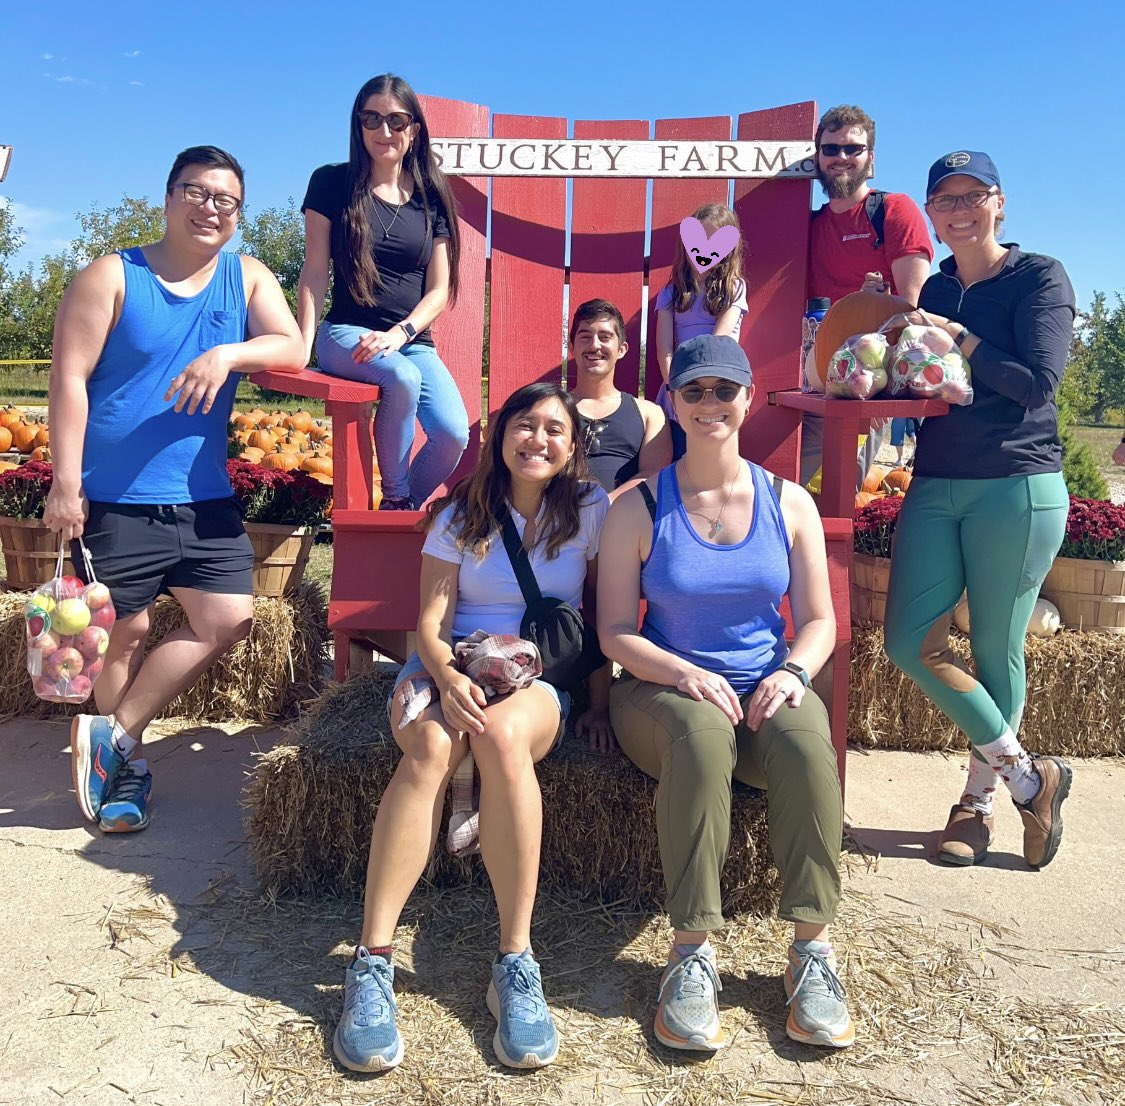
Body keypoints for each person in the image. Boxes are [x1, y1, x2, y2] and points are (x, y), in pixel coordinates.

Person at [332, 382, 612, 1073]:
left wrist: (600, 702)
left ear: (573, 447)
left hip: (536, 680)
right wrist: (449, 679)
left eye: (554, 429)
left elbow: (600, 619)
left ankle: (514, 962)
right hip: (447, 665)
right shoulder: (462, 514)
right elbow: (426, 627)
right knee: (431, 742)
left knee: (502, 736)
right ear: (500, 435)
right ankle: (371, 962)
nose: (537, 439)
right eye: (524, 424)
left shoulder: (590, 512)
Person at [598, 334, 853, 1052]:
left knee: (807, 746)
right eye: (693, 391)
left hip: (762, 686)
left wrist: (793, 672)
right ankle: (690, 953)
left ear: (746, 399)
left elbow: (818, 621)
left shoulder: (787, 501)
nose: (709, 403)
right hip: (659, 689)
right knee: (703, 739)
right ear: (672, 404)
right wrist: (681, 673)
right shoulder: (638, 507)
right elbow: (615, 632)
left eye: (724, 390)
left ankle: (811, 951)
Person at [43, 146, 305, 833]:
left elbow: (293, 345)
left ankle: (116, 734)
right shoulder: (111, 276)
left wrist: (229, 353)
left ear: (238, 215)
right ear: (167, 198)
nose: (209, 207)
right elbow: (68, 379)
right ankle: (124, 777)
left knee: (229, 618)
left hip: (203, 495)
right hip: (114, 495)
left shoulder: (245, 278)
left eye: (225, 200)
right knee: (123, 634)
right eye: (195, 192)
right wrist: (65, 484)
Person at [882, 151, 1075, 869]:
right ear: (931, 213)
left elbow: (1036, 383)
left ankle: (977, 806)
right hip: (935, 480)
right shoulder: (933, 284)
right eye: (944, 198)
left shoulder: (1039, 278)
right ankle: (1030, 776)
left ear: (999, 203)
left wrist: (956, 335)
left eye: (973, 194)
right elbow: (921, 384)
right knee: (907, 642)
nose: (958, 209)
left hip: (1015, 484)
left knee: (995, 650)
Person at [298, 73, 467, 511]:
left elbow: (440, 288)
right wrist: (302, 340)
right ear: (358, 126)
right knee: (401, 378)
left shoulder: (431, 197)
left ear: (414, 130)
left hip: (410, 342)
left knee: (453, 434)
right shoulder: (331, 183)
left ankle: (403, 504)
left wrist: (401, 333)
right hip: (346, 334)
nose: (384, 130)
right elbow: (315, 269)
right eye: (371, 119)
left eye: (396, 120)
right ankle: (394, 500)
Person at [802, 104, 935, 489]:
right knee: (782, 493)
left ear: (870, 158)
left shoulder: (892, 211)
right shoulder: (808, 226)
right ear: (818, 158)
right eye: (831, 149)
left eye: (853, 149)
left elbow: (912, 308)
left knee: (833, 499)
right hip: (805, 385)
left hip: (863, 392)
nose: (841, 158)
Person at [655, 202, 748, 459]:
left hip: (718, 382)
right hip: (678, 383)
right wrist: (676, 387)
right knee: (678, 453)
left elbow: (718, 342)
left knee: (712, 453)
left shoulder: (734, 289)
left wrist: (704, 384)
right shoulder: (670, 293)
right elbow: (664, 347)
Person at [569, 298, 671, 499]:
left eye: (605, 337)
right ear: (571, 347)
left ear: (622, 349)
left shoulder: (650, 414)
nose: (594, 345)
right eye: (585, 337)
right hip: (558, 520)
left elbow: (655, 474)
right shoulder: (551, 410)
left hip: (624, 523)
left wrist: (602, 506)